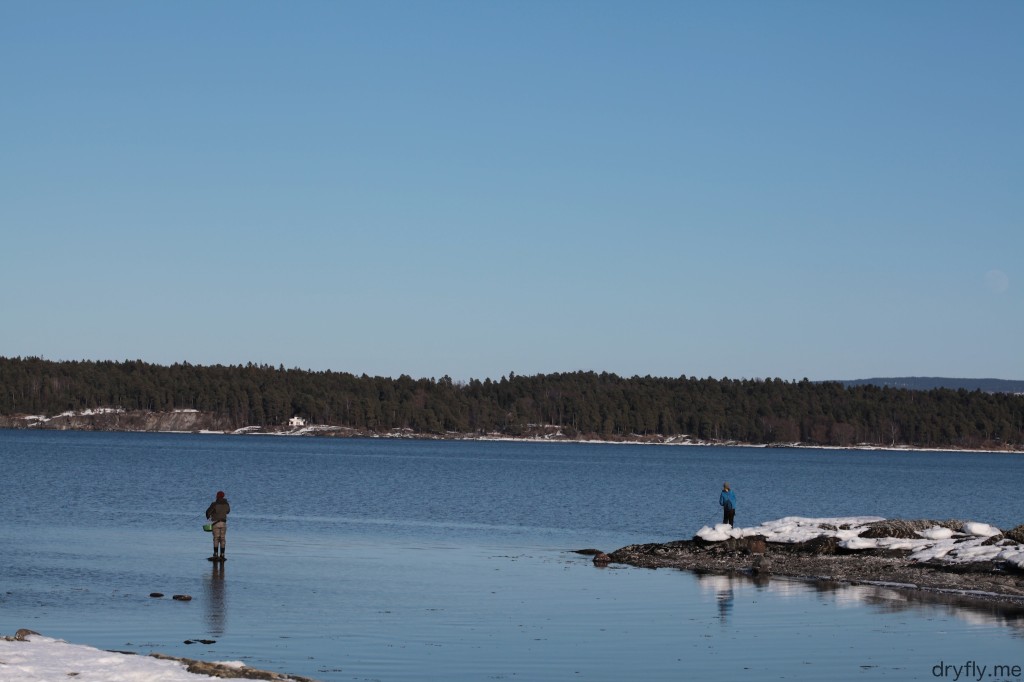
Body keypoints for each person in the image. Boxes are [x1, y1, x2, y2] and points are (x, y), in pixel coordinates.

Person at [205, 491, 230, 562]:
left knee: (216, 538)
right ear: (223, 496)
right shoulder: (226, 504)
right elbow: (228, 511)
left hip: (215, 523)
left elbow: (208, 512)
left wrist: (208, 516)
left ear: (217, 496)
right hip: (223, 523)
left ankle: (215, 554)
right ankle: (222, 554)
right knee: (222, 538)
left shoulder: (214, 504)